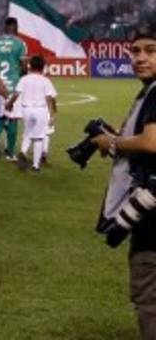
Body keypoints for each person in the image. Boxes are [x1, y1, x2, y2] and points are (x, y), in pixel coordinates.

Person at [89, 23, 156, 338]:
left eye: (151, 51)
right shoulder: (148, 92)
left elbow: (152, 142)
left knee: (149, 297)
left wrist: (112, 144)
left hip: (152, 214)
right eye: (136, 51)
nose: (141, 58)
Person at [6, 55, 57, 172]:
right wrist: (52, 113)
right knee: (39, 138)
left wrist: (9, 104)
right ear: (43, 67)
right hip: (40, 110)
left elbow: (16, 94)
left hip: (26, 110)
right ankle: (35, 165)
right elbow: (49, 98)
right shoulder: (45, 80)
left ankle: (23, 152)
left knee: (28, 133)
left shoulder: (24, 79)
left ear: (30, 66)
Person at [0, 18, 28, 161]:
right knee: (13, 119)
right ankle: (10, 153)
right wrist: (23, 78)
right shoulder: (20, 43)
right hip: (14, 84)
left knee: (1, 116)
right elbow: (24, 66)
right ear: (16, 27)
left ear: (5, 27)